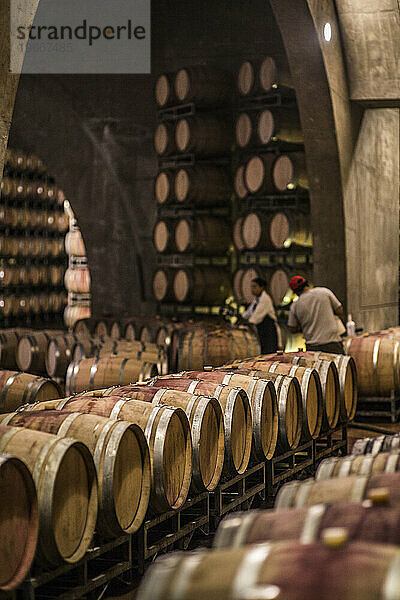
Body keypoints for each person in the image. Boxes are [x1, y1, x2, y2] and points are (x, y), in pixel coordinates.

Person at [287, 275, 345, 354]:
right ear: (307, 284)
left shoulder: (295, 305)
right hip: (332, 343)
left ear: (295, 291)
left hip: (312, 347)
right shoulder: (324, 292)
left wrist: (302, 327)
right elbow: (339, 310)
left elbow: (292, 329)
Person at [242, 277, 278, 354]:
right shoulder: (256, 299)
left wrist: (246, 322)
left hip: (268, 331)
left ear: (261, 287)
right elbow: (248, 313)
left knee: (268, 354)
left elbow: (255, 318)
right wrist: (241, 318)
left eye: (254, 287)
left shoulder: (265, 299)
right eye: (251, 287)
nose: (252, 289)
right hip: (262, 331)